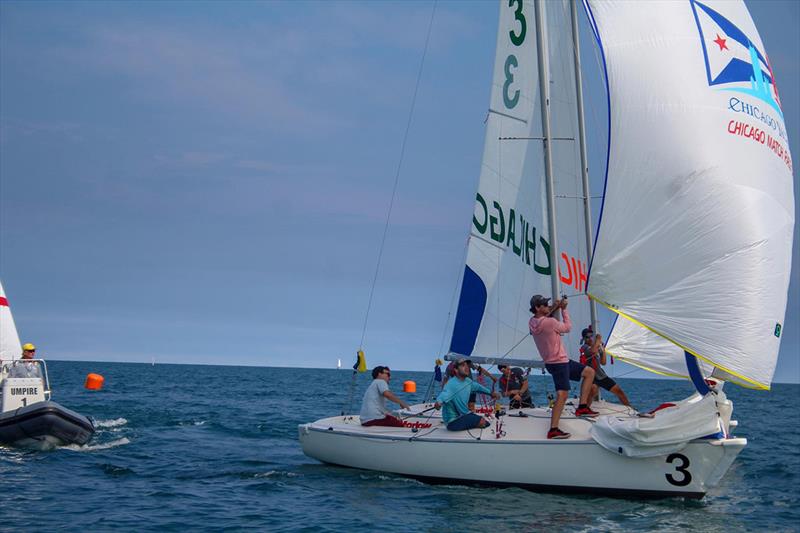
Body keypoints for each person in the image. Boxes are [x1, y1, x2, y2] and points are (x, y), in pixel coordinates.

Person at [529, 295, 597, 440]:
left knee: (589, 372)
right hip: (559, 363)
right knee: (562, 394)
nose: (547, 306)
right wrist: (564, 310)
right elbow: (567, 327)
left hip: (557, 362)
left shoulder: (532, 321)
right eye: (544, 305)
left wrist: (555, 306)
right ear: (537, 308)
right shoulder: (551, 322)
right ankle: (553, 429)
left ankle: (582, 406)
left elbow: (544, 316)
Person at [435, 357, 500, 431]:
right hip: (453, 422)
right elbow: (444, 394)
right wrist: (438, 403)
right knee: (483, 422)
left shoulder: (468, 381)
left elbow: (478, 387)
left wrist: (491, 393)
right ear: (456, 370)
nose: (466, 367)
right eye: (462, 365)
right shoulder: (451, 384)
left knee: (486, 423)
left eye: (467, 365)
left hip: (463, 416)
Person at [579, 328, 632, 408]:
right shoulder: (584, 348)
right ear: (584, 339)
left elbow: (603, 362)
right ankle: (586, 409)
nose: (590, 338)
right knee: (592, 391)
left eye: (591, 336)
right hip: (591, 377)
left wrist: (603, 350)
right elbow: (593, 351)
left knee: (619, 391)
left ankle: (630, 409)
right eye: (587, 337)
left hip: (601, 375)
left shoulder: (596, 347)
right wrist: (598, 339)